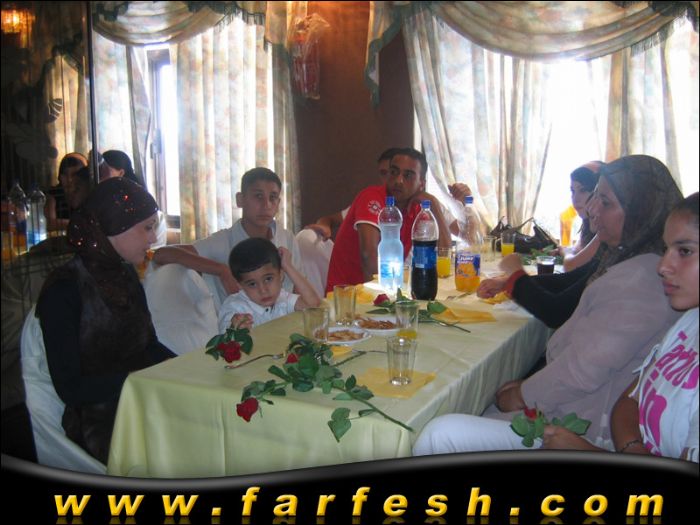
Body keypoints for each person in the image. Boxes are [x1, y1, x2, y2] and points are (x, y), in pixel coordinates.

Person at [413, 155, 684, 455]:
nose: (592, 210)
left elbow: (581, 371)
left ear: (640, 210)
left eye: (606, 203)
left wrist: (523, 394)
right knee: (472, 400)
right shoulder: (625, 256)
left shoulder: (643, 279)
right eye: (595, 197)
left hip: (581, 426)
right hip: (574, 405)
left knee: (439, 433)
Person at [541, 192, 698, 462]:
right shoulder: (690, 321)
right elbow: (630, 400)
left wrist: (589, 453)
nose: (662, 266)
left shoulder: (645, 284)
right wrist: (633, 450)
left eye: (685, 251)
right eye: (667, 249)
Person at [35, 177, 175, 463]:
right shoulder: (64, 290)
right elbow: (71, 388)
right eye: (147, 228)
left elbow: (148, 346)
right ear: (113, 226)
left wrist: (186, 367)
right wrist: (141, 381)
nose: (152, 238)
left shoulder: (125, 274)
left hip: (142, 400)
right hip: (99, 422)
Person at [152, 167, 302, 307]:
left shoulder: (287, 239)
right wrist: (222, 270)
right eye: (258, 196)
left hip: (286, 319)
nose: (266, 205)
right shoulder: (223, 241)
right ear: (240, 199)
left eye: (273, 197)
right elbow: (162, 254)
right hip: (240, 322)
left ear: (278, 203)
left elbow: (298, 288)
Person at [325, 147, 453, 292]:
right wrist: (385, 297)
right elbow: (369, 256)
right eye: (394, 172)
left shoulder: (418, 208)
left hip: (386, 288)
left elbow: (444, 254)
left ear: (421, 184)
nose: (398, 181)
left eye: (408, 175)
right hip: (349, 294)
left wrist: (433, 205)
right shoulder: (372, 197)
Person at [218, 238, 321, 332]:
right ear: (240, 286)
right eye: (252, 284)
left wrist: (288, 266)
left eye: (268, 279)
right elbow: (225, 337)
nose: (263, 290)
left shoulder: (282, 297)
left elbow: (312, 304)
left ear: (281, 275)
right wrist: (234, 328)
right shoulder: (235, 307)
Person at [562, 160, 604, 272]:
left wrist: (566, 252)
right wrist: (569, 250)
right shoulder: (587, 224)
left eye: (583, 190)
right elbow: (579, 249)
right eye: (573, 191)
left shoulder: (607, 227)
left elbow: (570, 266)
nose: (575, 199)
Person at [44, 152, 88, 232]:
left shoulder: (89, 193)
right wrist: (80, 224)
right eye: (64, 174)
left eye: (74, 174)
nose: (69, 179)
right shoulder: (53, 194)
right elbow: (50, 224)